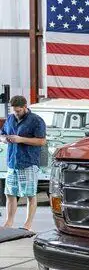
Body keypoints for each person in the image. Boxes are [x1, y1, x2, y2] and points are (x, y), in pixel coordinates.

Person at [1, 95, 47, 231]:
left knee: (30, 194)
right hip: (12, 162)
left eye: (18, 111)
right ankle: (9, 223)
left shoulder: (36, 121)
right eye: (14, 111)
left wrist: (20, 139)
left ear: (25, 107)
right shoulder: (10, 119)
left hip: (28, 162)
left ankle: (27, 225)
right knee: (9, 193)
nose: (16, 113)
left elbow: (42, 141)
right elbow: (2, 133)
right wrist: (4, 139)